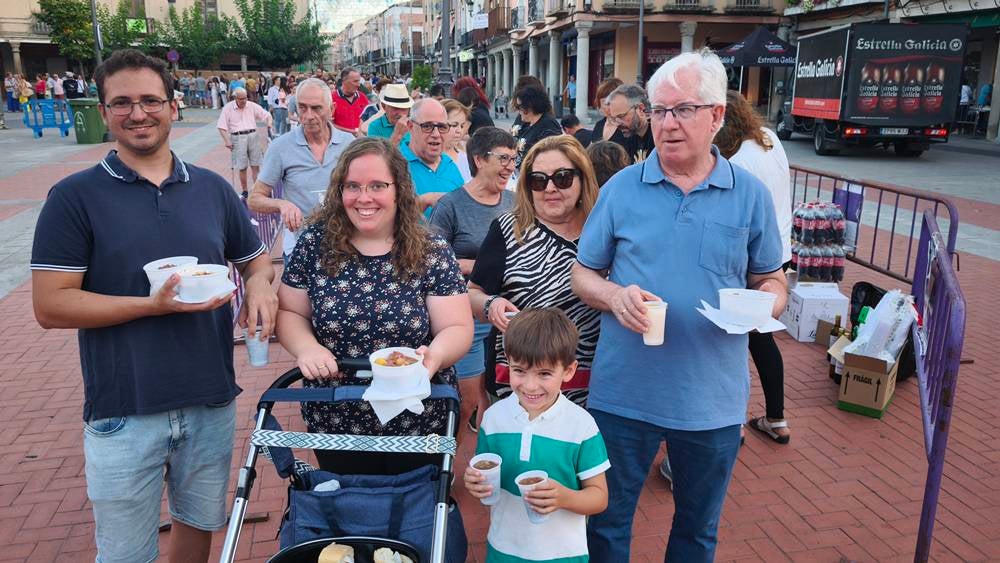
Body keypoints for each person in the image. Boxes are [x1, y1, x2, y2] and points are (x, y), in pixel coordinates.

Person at [29, 48, 277, 563]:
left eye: (149, 100)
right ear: (103, 110)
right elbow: (51, 306)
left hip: (209, 398)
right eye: (122, 102)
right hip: (124, 407)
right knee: (124, 554)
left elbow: (256, 261)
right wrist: (150, 306)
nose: (137, 113)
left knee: (198, 527)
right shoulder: (74, 197)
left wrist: (258, 286)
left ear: (173, 106)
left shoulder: (211, 189)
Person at [571, 49, 786, 562]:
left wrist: (766, 306)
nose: (667, 123)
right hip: (623, 395)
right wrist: (614, 295)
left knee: (696, 530)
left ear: (716, 116)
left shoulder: (748, 193)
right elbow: (583, 274)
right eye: (659, 110)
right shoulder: (622, 188)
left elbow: (773, 278)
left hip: (710, 400)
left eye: (682, 109)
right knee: (605, 525)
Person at [276, 136, 473, 474]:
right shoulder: (314, 244)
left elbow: (456, 326)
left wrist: (434, 356)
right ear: (340, 191)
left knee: (414, 514)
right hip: (336, 416)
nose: (363, 198)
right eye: (352, 186)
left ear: (398, 189)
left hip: (417, 417)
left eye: (377, 185)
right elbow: (291, 311)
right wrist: (307, 348)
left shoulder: (430, 248)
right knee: (348, 515)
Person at [464, 308, 610, 563]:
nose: (530, 386)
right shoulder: (493, 418)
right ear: (506, 362)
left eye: (544, 373)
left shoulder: (582, 425)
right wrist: (476, 481)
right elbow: (487, 477)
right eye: (519, 370)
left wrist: (565, 497)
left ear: (568, 370)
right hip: (502, 548)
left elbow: (599, 497)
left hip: (564, 554)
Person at [469, 135, 601, 411]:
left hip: (593, 386)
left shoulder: (603, 229)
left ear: (582, 178)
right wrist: (491, 305)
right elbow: (473, 293)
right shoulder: (508, 230)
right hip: (520, 385)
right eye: (538, 180)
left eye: (562, 178)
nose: (550, 188)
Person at [713, 89, 793, 444]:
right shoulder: (769, 140)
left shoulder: (738, 164)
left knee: (731, 343)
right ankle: (776, 417)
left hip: (752, 258)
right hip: (780, 252)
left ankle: (733, 423)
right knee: (762, 340)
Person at [429, 127, 517, 436]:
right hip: (467, 315)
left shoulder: (515, 202)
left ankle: (490, 464)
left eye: (513, 158)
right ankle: (448, 467)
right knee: (466, 401)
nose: (510, 166)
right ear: (479, 159)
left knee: (501, 398)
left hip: (509, 314)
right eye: (503, 158)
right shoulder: (451, 205)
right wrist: (477, 265)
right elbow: (430, 258)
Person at [248, 78, 354, 265]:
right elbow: (254, 199)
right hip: (300, 248)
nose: (308, 115)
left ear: (332, 109)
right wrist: (282, 205)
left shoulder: (349, 144)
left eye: (316, 108)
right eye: (302, 108)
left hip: (344, 245)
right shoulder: (281, 147)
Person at [402, 98, 465, 214]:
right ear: (410, 127)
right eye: (427, 126)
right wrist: (425, 201)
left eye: (442, 127)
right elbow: (386, 220)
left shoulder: (449, 165)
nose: (436, 134)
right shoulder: (394, 163)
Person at [217, 87, 273, 198]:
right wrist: (227, 141)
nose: (244, 101)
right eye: (241, 99)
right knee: (242, 167)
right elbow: (221, 126)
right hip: (237, 137)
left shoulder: (251, 105)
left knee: (255, 165)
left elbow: (267, 115)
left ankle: (257, 190)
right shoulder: (228, 108)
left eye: (245, 98)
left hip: (252, 135)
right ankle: (245, 190)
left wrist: (269, 124)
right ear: (235, 98)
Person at [511, 86, 563, 171]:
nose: (518, 111)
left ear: (530, 106)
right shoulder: (527, 123)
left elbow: (550, 156)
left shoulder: (548, 125)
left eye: (519, 107)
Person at [606, 83, 654, 163]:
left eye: (621, 116)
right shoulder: (627, 138)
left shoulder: (659, 137)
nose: (617, 124)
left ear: (640, 109)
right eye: (614, 119)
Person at [442, 98, 472, 182]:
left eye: (462, 126)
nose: (459, 131)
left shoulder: (465, 158)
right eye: (454, 125)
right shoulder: (427, 157)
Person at [332, 67, 366, 136]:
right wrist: (352, 132)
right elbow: (328, 124)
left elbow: (369, 119)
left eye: (359, 81)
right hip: (341, 142)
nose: (358, 85)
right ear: (344, 81)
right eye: (355, 81)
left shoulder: (362, 97)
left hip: (360, 142)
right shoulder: (332, 98)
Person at [590, 77, 624, 142]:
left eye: (612, 102)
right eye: (605, 103)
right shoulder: (599, 125)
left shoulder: (628, 128)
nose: (610, 107)